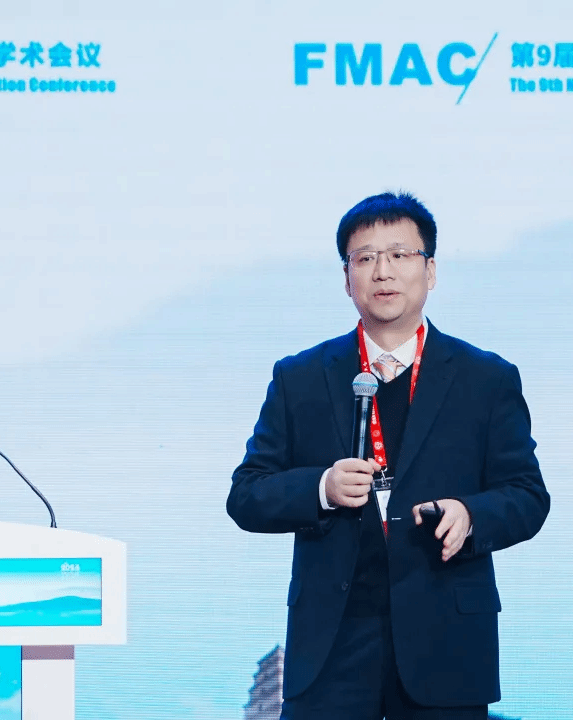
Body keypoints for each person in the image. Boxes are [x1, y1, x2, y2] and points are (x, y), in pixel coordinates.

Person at [227, 192, 550, 720]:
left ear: (430, 271)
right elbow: (247, 495)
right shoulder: (299, 377)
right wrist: (321, 488)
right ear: (347, 277)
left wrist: (471, 515)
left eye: (400, 254)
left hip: (446, 643)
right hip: (330, 648)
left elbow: (528, 496)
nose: (383, 271)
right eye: (365, 257)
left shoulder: (486, 378)